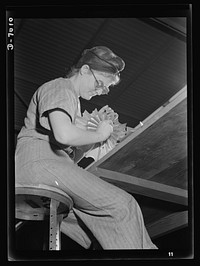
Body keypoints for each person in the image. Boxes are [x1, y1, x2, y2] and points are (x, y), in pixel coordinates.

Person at [15, 46, 157, 249]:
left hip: (37, 171)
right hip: (40, 167)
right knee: (123, 205)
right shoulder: (61, 87)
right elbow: (63, 135)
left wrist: (92, 141)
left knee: (94, 231)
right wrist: (101, 133)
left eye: (105, 89)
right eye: (99, 83)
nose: (100, 91)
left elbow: (65, 154)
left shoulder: (71, 102)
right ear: (84, 70)